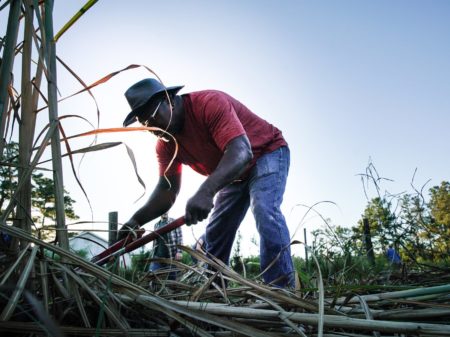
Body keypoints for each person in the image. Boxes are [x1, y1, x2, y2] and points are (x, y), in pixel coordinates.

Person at [117, 78, 294, 287]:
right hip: (233, 175)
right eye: (144, 123)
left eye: (153, 116)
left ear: (169, 100)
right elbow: (168, 189)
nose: (152, 128)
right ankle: (215, 291)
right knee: (216, 232)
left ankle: (281, 291)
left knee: (264, 209)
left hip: (266, 153)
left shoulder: (209, 103)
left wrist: (206, 192)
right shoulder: (165, 145)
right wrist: (136, 221)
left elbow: (241, 152)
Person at [149, 212, 183, 280]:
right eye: (163, 210)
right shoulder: (156, 225)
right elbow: (155, 241)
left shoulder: (174, 222)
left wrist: (179, 251)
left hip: (171, 258)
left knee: (172, 281)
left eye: (167, 210)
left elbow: (180, 237)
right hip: (158, 257)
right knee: (152, 277)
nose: (165, 212)